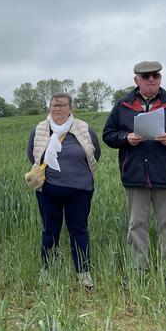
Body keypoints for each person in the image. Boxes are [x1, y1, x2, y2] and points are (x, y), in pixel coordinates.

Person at [102, 61, 166, 291]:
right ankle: (138, 272)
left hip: (165, 174)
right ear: (137, 80)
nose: (151, 79)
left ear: (160, 78)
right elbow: (108, 135)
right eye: (146, 76)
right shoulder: (123, 104)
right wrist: (126, 138)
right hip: (135, 175)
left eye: (155, 75)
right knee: (137, 225)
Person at [27, 93, 100, 288]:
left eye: (62, 105)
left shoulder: (84, 128)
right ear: (49, 107)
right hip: (49, 189)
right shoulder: (40, 130)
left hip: (80, 190)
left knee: (79, 231)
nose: (57, 108)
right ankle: (48, 271)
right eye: (54, 105)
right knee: (50, 231)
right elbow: (32, 155)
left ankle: (83, 273)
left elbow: (94, 153)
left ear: (70, 108)